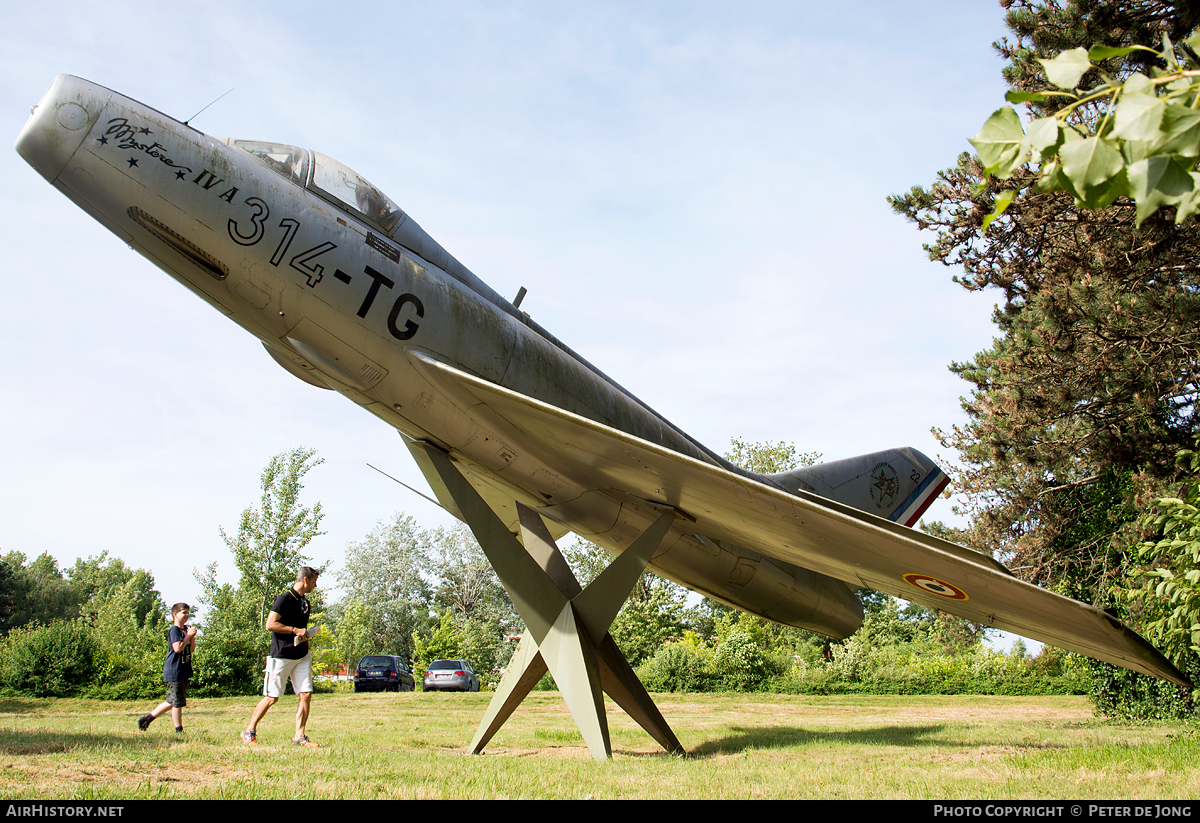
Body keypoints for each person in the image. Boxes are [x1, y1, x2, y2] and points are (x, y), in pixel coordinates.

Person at [241, 566, 320, 747]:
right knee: (272, 697)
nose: (316, 586)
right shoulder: (283, 599)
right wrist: (294, 630)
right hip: (281, 656)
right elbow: (270, 624)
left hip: (301, 655)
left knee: (305, 694)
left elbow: (301, 627)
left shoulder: (305, 602)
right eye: (314, 581)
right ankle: (249, 730)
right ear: (305, 580)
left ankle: (299, 736)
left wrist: (305, 637)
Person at [137, 602, 196, 733]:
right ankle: (179, 730)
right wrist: (188, 636)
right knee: (177, 703)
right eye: (183, 613)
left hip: (184, 669)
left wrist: (191, 637)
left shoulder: (186, 629)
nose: (186, 615)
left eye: (188, 613)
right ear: (175, 614)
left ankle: (146, 721)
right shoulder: (174, 630)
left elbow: (191, 649)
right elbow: (177, 648)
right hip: (175, 670)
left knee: (172, 701)